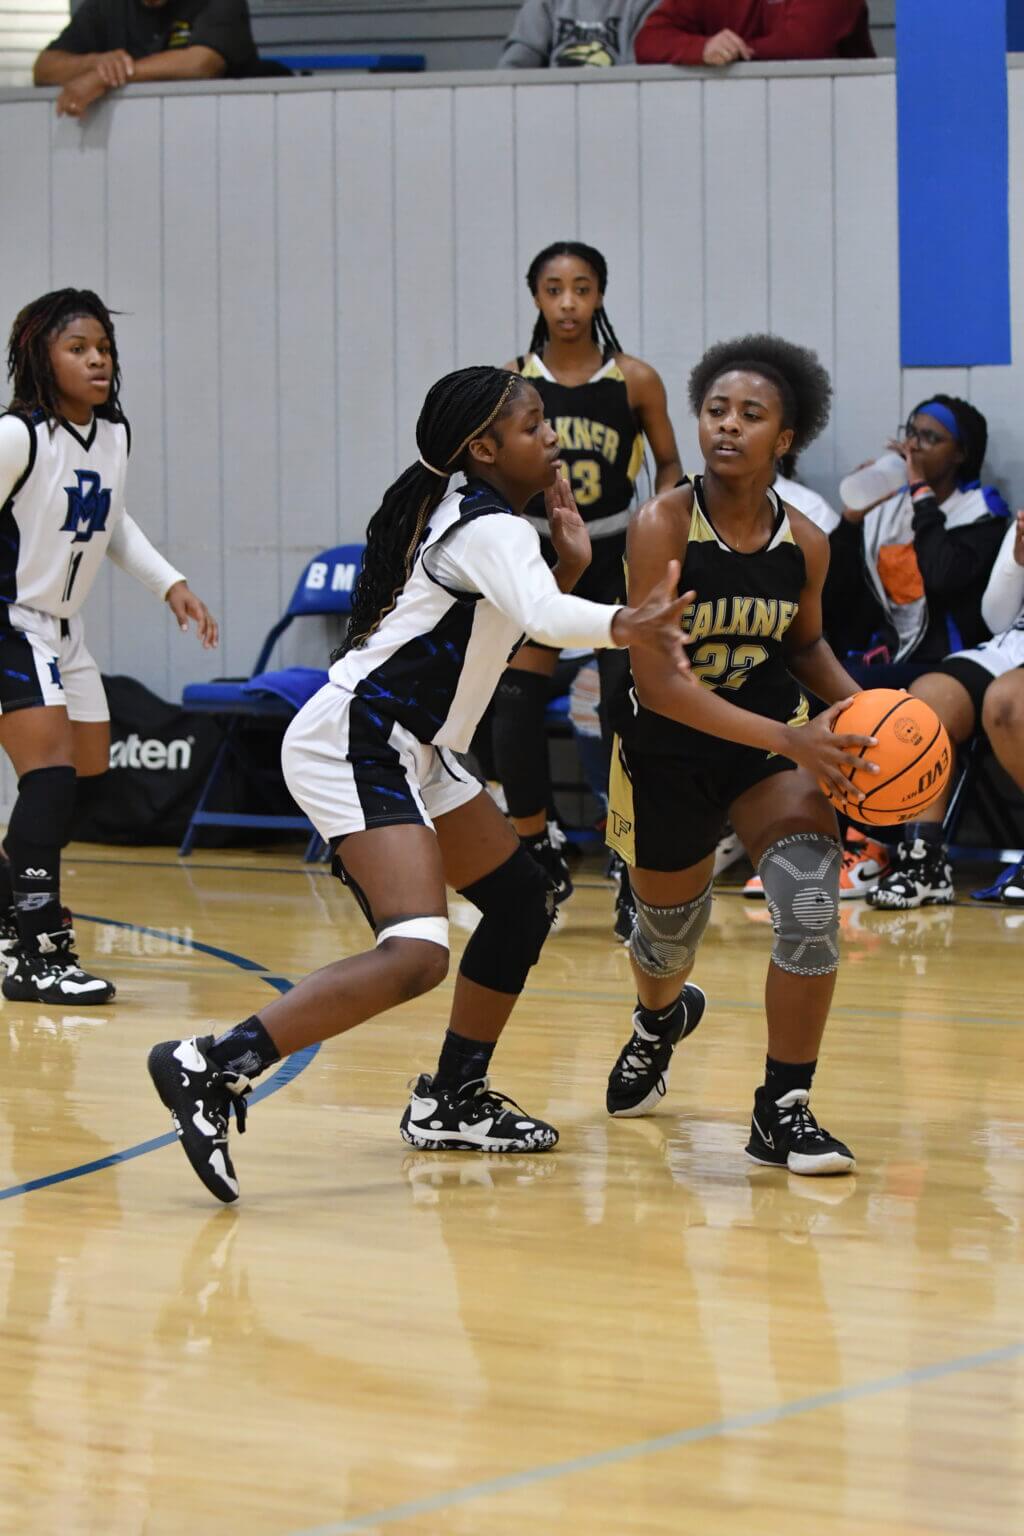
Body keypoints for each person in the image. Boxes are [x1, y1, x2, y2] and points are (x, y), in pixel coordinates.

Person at [147, 365, 691, 1203]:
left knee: (519, 899)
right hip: (358, 739)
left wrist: (573, 566)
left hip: (416, 748)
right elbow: (545, 624)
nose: (552, 436)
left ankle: (452, 1098)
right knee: (416, 955)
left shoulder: (482, 518)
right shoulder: (490, 530)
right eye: (535, 424)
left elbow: (517, 622)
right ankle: (214, 1064)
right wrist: (625, 620)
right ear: (482, 447)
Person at [605, 334, 876, 1176]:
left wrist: (870, 715)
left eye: (750, 415)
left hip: (769, 751)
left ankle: (782, 1107)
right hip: (668, 749)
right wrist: (791, 735)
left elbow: (805, 648)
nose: (727, 427)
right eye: (716, 411)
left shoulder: (806, 542)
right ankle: (659, 1020)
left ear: (784, 438)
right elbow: (664, 684)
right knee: (667, 943)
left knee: (807, 909)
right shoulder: (661, 525)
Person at [0, 288, 217, 1003]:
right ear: (41, 356)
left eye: (104, 349)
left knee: (89, 775)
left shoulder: (112, 434)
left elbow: (113, 524)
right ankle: (36, 950)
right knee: (51, 776)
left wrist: (170, 584)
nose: (96, 360)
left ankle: (12, 903)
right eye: (78, 349)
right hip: (10, 622)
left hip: (66, 630)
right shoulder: (16, 437)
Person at [492, 241, 683, 921]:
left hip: (613, 554)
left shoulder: (635, 379)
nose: (567, 302)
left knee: (621, 708)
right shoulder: (512, 380)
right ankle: (535, 847)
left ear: (600, 294)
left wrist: (664, 547)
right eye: (553, 289)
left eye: (580, 288)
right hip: (538, 554)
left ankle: (630, 858)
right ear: (535, 297)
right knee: (513, 699)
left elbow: (668, 467)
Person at [823, 396, 1008, 893]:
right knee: (818, 683)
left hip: (951, 666)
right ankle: (819, 843)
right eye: (911, 433)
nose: (913, 446)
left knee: (867, 700)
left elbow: (946, 577)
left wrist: (921, 495)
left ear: (960, 454)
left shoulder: (983, 511)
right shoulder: (887, 511)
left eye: (929, 438)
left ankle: (870, 843)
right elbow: (835, 597)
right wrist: (853, 519)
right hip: (894, 658)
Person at [866, 508, 1024, 910]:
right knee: (925, 703)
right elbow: (996, 617)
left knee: (1008, 703)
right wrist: (1019, 560)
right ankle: (925, 860)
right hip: (1011, 647)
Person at [33, 0, 260, 119]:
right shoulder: (106, 6)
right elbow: (44, 68)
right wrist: (96, 64)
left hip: (225, 138)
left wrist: (107, 76)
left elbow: (203, 63)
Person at [635, 0, 874, 67]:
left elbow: (802, 47)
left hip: (834, 123)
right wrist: (702, 48)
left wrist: (732, 53)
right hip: (736, 130)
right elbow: (649, 41)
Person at [499, 0, 662, 66]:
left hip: (619, 114)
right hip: (549, 113)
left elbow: (638, 78)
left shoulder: (646, 4)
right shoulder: (547, 2)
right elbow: (514, 67)